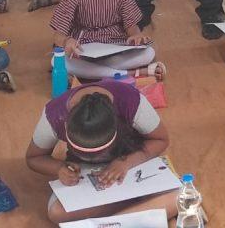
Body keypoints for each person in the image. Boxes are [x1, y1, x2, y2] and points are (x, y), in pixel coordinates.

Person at [24, 79, 174, 224]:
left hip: (132, 160)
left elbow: (161, 140)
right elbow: (34, 157)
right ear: (66, 127)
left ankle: (107, 223)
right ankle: (133, 211)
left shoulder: (131, 102)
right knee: (56, 212)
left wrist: (124, 162)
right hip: (84, 172)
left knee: (180, 198)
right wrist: (59, 168)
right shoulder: (54, 115)